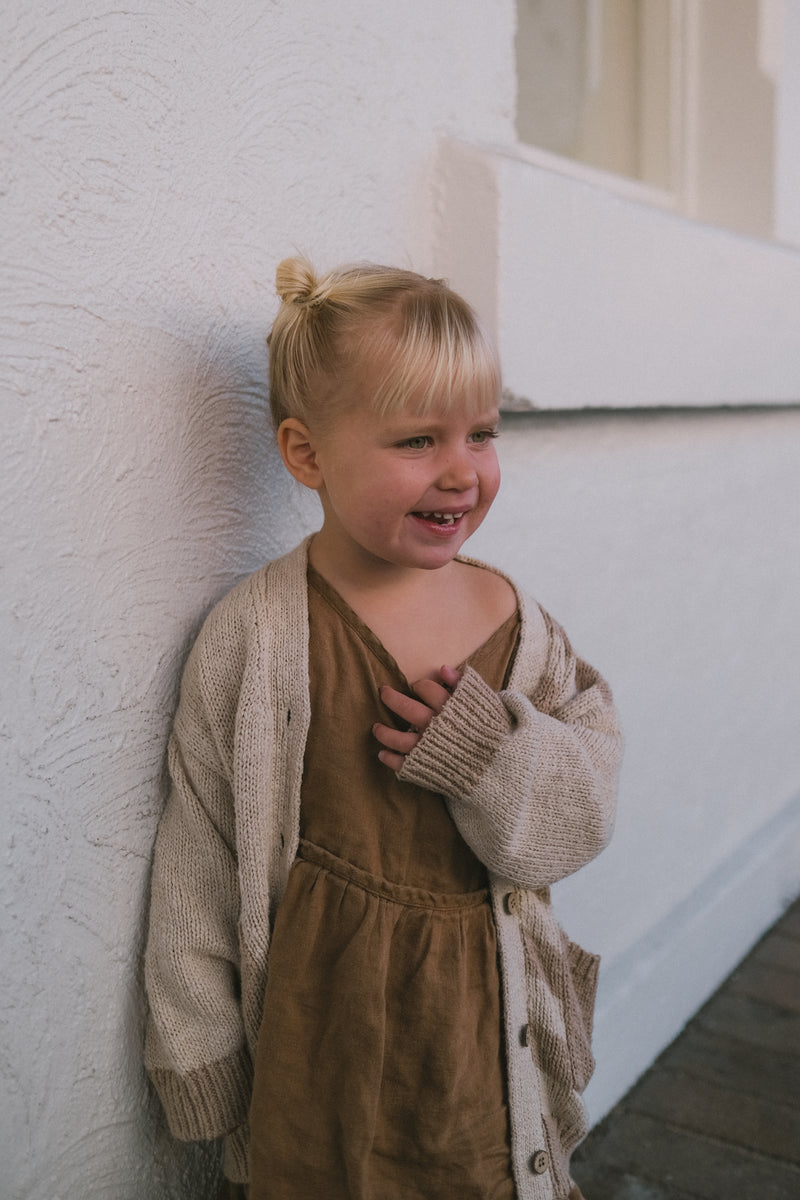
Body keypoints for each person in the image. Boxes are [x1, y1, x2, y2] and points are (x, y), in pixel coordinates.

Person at [144, 256, 623, 1200]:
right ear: (307, 453)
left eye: (482, 433)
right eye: (416, 439)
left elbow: (584, 812)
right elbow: (199, 856)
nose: (461, 469)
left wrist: (494, 758)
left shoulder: (520, 630)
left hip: (480, 1038)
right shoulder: (256, 636)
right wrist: (198, 1061)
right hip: (319, 1043)